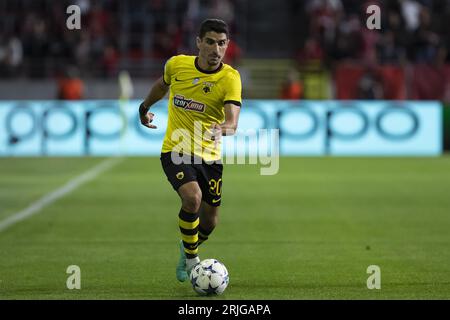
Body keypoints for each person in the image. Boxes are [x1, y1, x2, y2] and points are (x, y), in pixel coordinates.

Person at [138, 19, 242, 282]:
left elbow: (232, 122)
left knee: (210, 222)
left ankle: (187, 246)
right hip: (176, 149)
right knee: (192, 198)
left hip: (210, 156)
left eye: (221, 43)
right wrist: (145, 106)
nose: (215, 49)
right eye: (209, 42)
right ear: (198, 42)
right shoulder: (177, 65)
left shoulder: (230, 78)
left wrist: (224, 128)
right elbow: (162, 86)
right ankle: (193, 260)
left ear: (227, 46)